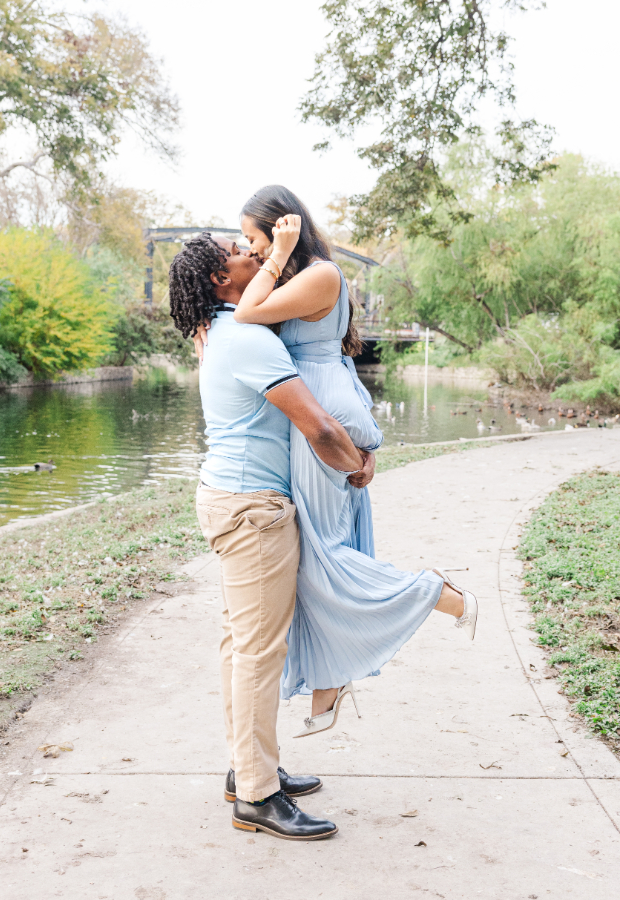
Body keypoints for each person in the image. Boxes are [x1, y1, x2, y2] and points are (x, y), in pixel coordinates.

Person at [196, 185, 478, 738]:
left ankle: (438, 594)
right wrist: (209, 320)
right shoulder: (288, 280)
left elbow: (248, 311)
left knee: (323, 554)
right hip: (316, 401)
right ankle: (330, 683)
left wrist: (277, 254)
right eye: (248, 246)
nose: (252, 252)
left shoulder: (319, 273)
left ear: (283, 226)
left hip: (322, 406)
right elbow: (242, 317)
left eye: (255, 238)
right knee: (318, 557)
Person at [168, 233, 375, 841]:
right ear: (217, 279)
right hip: (254, 510)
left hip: (230, 498)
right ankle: (257, 797)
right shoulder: (248, 338)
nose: (246, 249)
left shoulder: (226, 335)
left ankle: (248, 770)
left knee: (242, 646)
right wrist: (357, 464)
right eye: (234, 249)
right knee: (260, 653)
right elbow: (317, 425)